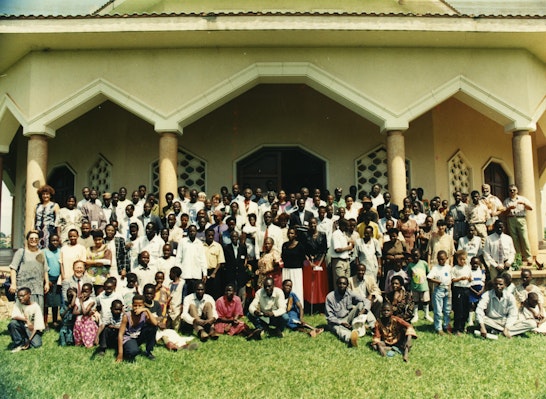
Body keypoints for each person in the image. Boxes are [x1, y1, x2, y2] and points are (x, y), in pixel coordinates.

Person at [325, 276, 375, 347]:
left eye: (344, 284)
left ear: (347, 285)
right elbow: (329, 317)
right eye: (340, 283)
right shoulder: (330, 297)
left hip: (348, 318)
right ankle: (350, 339)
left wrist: (363, 310)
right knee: (338, 329)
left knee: (361, 304)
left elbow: (366, 301)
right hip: (336, 321)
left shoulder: (350, 293)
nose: (342, 285)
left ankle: (374, 327)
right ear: (336, 284)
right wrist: (341, 322)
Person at [9, 230, 50, 310]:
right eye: (31, 238)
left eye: (36, 238)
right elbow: (13, 268)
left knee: (36, 312)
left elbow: (45, 269)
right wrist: (13, 283)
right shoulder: (21, 252)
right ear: (27, 239)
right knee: (23, 313)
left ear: (39, 240)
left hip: (37, 289)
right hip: (23, 288)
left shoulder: (41, 253)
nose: (34, 240)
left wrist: (47, 283)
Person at [116, 294, 159, 362]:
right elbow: (120, 334)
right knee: (133, 352)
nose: (137, 308)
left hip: (138, 337)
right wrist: (120, 354)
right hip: (129, 338)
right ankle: (127, 349)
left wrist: (147, 310)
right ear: (132, 305)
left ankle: (148, 351)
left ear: (143, 305)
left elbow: (155, 323)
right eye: (135, 305)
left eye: (140, 306)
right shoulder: (126, 316)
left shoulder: (144, 314)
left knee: (152, 327)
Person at [8, 287, 46, 352]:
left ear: (29, 295)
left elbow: (37, 327)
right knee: (12, 323)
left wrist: (29, 341)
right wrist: (27, 320)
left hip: (32, 329)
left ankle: (25, 340)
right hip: (23, 325)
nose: (20, 298)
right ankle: (18, 343)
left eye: (22, 296)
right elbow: (14, 316)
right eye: (19, 296)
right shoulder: (18, 303)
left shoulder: (36, 307)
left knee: (37, 345)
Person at [503, 184, 533, 265]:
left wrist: (523, 203)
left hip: (521, 218)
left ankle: (528, 257)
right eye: (510, 190)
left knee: (524, 237)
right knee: (514, 239)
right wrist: (509, 208)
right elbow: (503, 212)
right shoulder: (506, 201)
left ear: (517, 191)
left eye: (514, 190)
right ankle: (518, 258)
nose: (512, 192)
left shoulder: (522, 199)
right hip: (511, 218)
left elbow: (531, 208)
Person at [175, 225, 207, 295]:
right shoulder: (182, 242)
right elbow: (178, 258)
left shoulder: (199, 243)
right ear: (188, 232)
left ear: (196, 232)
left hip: (196, 275)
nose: (192, 233)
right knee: (184, 295)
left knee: (194, 296)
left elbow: (203, 259)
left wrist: (204, 273)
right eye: (190, 231)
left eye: (194, 231)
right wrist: (178, 273)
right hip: (184, 275)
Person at [427, 250, 452, 335]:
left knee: (447, 309)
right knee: (438, 310)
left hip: (447, 289)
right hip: (439, 290)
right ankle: (438, 327)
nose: (441, 261)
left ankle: (446, 325)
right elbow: (429, 278)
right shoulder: (435, 268)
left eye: (443, 259)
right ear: (437, 259)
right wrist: (437, 281)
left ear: (447, 258)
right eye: (440, 259)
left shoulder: (448, 267)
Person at [406, 248, 432, 323]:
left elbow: (427, 272)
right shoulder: (410, 265)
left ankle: (426, 314)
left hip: (423, 286)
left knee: (425, 301)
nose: (415, 257)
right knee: (415, 301)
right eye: (413, 256)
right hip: (414, 286)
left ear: (420, 255)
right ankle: (416, 315)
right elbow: (409, 274)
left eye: (417, 255)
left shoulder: (424, 263)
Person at [281, 227, 306, 302]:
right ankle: (285, 305)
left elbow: (303, 259)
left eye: (292, 233)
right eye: (288, 233)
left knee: (296, 288)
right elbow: (283, 257)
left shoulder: (300, 246)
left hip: (296, 271)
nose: (289, 235)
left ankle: (298, 306)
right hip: (286, 270)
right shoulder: (284, 245)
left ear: (295, 235)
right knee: (286, 288)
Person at [451, 250, 472, 335]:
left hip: (466, 289)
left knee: (465, 309)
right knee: (458, 309)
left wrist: (469, 279)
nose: (463, 261)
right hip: (458, 289)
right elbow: (453, 280)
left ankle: (463, 327)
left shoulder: (467, 268)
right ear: (457, 259)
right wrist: (460, 278)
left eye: (464, 259)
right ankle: (456, 328)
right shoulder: (455, 268)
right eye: (461, 259)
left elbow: (470, 278)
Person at [34, 184, 60, 249]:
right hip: (38, 229)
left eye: (47, 194)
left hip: (49, 229)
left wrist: (58, 233)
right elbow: (33, 218)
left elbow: (58, 220)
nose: (45, 196)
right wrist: (32, 229)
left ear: (50, 195)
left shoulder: (55, 205)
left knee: (48, 247)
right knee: (38, 247)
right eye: (43, 194)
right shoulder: (37, 206)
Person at [43, 233, 61, 327]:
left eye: (56, 240)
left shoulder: (60, 251)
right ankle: (45, 322)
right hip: (48, 279)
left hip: (58, 280)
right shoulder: (44, 252)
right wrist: (46, 280)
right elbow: (43, 266)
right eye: (52, 240)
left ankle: (54, 321)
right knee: (46, 302)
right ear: (49, 241)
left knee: (55, 302)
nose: (54, 242)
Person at [73, 282, 98, 348]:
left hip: (87, 324)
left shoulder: (91, 301)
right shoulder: (77, 300)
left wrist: (81, 303)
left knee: (88, 343)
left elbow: (84, 313)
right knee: (78, 340)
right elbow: (74, 312)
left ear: (91, 292)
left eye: (86, 292)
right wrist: (86, 312)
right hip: (78, 322)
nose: (84, 293)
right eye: (83, 291)